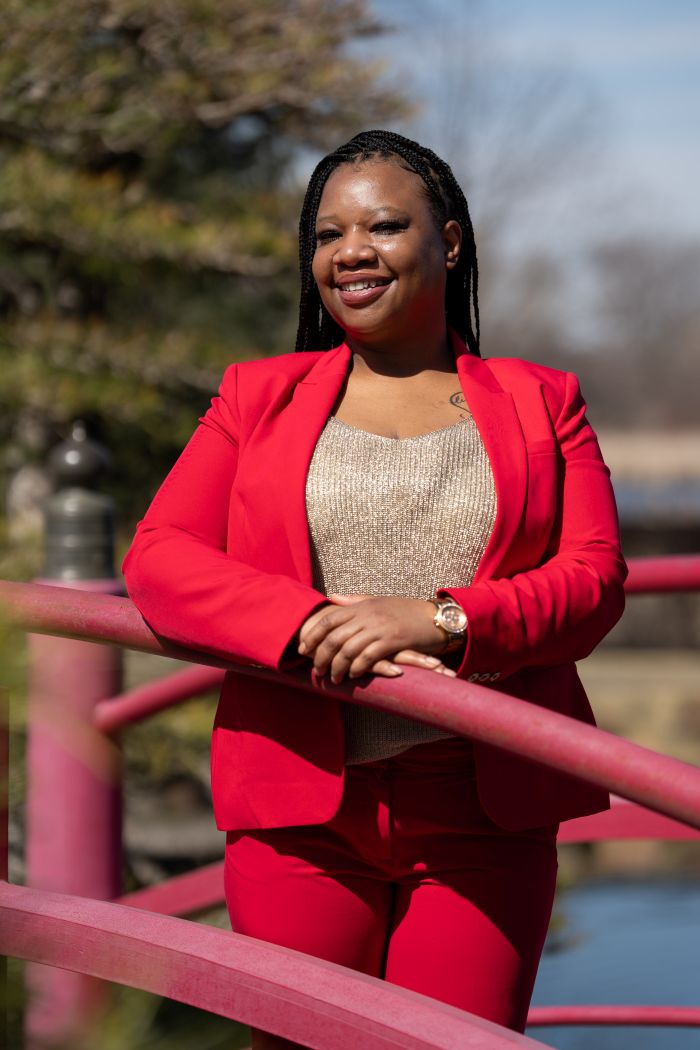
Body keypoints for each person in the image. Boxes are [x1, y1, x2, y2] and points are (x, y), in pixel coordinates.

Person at [122, 129, 627, 1043]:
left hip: (484, 818)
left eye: (385, 225)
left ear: (451, 241)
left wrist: (440, 620)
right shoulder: (256, 395)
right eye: (326, 235)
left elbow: (592, 583)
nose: (350, 251)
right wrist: (308, 620)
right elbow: (159, 557)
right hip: (298, 814)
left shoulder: (545, 400)